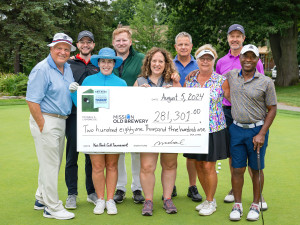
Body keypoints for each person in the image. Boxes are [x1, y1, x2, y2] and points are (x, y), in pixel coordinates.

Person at [69, 47, 127, 215]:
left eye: (109, 61)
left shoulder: (121, 84)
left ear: (114, 64)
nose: (106, 64)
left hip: (114, 131)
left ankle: (110, 200)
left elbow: (125, 108)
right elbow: (82, 105)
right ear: (99, 63)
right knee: (97, 165)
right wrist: (73, 93)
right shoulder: (88, 81)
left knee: (112, 165)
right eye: (103, 61)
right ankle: (100, 199)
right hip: (94, 130)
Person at [215, 24, 267, 210]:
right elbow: (221, 85)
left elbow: (260, 86)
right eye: (232, 36)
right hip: (229, 111)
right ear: (228, 39)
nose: (235, 39)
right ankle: (234, 190)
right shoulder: (221, 61)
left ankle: (258, 195)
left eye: (238, 36)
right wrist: (234, 101)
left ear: (243, 38)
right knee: (233, 152)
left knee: (254, 156)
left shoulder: (254, 59)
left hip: (251, 113)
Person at [26, 33, 76, 220]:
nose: (62, 52)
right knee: (50, 165)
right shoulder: (42, 69)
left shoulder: (67, 68)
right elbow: (32, 100)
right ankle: (52, 207)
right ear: (51, 49)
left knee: (51, 163)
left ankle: (40, 198)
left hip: (61, 119)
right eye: (59, 48)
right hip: (46, 119)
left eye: (66, 49)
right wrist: (42, 125)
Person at [226, 44, 277, 221]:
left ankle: (255, 204)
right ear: (239, 58)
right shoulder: (232, 75)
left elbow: (272, 109)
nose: (248, 59)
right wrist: (194, 73)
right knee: (237, 169)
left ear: (257, 59)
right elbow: (212, 78)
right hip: (237, 129)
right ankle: (237, 205)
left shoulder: (266, 81)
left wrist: (262, 133)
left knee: (255, 169)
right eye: (245, 56)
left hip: (257, 130)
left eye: (252, 56)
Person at [184, 44, 230, 216]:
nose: (205, 61)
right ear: (197, 60)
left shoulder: (221, 80)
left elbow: (233, 99)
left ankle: (210, 201)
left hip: (214, 129)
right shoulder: (190, 80)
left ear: (213, 60)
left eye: (209, 58)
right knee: (198, 165)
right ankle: (208, 198)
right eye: (202, 58)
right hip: (194, 130)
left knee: (209, 166)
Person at [134, 47, 181, 216]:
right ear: (148, 62)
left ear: (166, 63)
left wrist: (175, 89)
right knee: (147, 166)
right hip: (147, 131)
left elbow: (185, 105)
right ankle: (148, 200)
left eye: (161, 61)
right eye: (154, 60)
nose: (157, 64)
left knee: (169, 164)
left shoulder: (172, 80)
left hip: (169, 131)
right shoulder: (140, 82)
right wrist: (139, 94)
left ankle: (167, 198)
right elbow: (130, 107)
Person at [65, 30, 99, 209]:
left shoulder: (97, 64)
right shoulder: (69, 63)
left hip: (94, 117)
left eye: (89, 42)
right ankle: (72, 194)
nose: (86, 45)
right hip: (73, 115)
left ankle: (91, 192)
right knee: (72, 156)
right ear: (77, 44)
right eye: (82, 42)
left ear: (93, 45)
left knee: (91, 157)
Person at [111, 27, 145, 204]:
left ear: (130, 42)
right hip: (114, 111)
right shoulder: (108, 59)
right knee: (118, 151)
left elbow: (151, 76)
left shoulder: (141, 58)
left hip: (137, 110)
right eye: (118, 40)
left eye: (124, 40)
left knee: (136, 151)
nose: (121, 43)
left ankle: (137, 187)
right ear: (113, 43)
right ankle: (120, 187)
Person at [173, 31, 202, 202]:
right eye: (180, 44)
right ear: (175, 47)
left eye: (186, 44)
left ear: (191, 46)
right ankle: (171, 186)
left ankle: (192, 186)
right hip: (171, 113)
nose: (183, 47)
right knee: (171, 153)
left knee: (191, 154)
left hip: (193, 115)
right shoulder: (168, 63)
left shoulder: (199, 64)